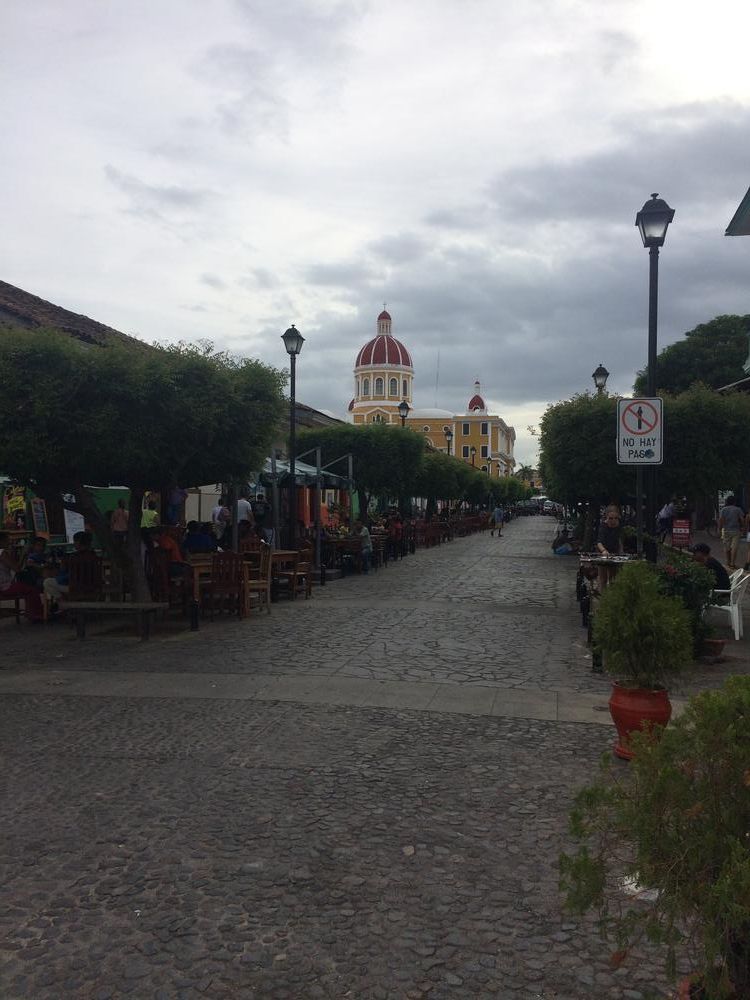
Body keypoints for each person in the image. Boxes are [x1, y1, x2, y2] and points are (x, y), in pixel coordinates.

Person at [42, 530, 94, 607]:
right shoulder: (93, 556)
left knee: (47, 582)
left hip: (77, 587)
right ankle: (65, 602)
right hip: (92, 586)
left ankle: (64, 603)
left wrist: (56, 576)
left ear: (78, 543)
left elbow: (65, 578)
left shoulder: (73, 558)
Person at [0, 532, 44, 622]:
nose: (9, 542)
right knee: (32, 589)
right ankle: (36, 615)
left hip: (4, 585)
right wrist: (23, 554)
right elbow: (17, 569)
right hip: (5, 587)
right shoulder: (2, 553)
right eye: (7, 540)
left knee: (26, 586)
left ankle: (31, 613)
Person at [719, 495, 745, 570]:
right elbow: (742, 519)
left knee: (727, 547)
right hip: (736, 530)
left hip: (726, 530)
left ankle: (728, 561)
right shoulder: (738, 509)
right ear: (734, 502)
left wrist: (720, 529)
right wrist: (743, 527)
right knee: (734, 547)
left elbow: (721, 520)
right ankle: (732, 563)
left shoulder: (723, 509)